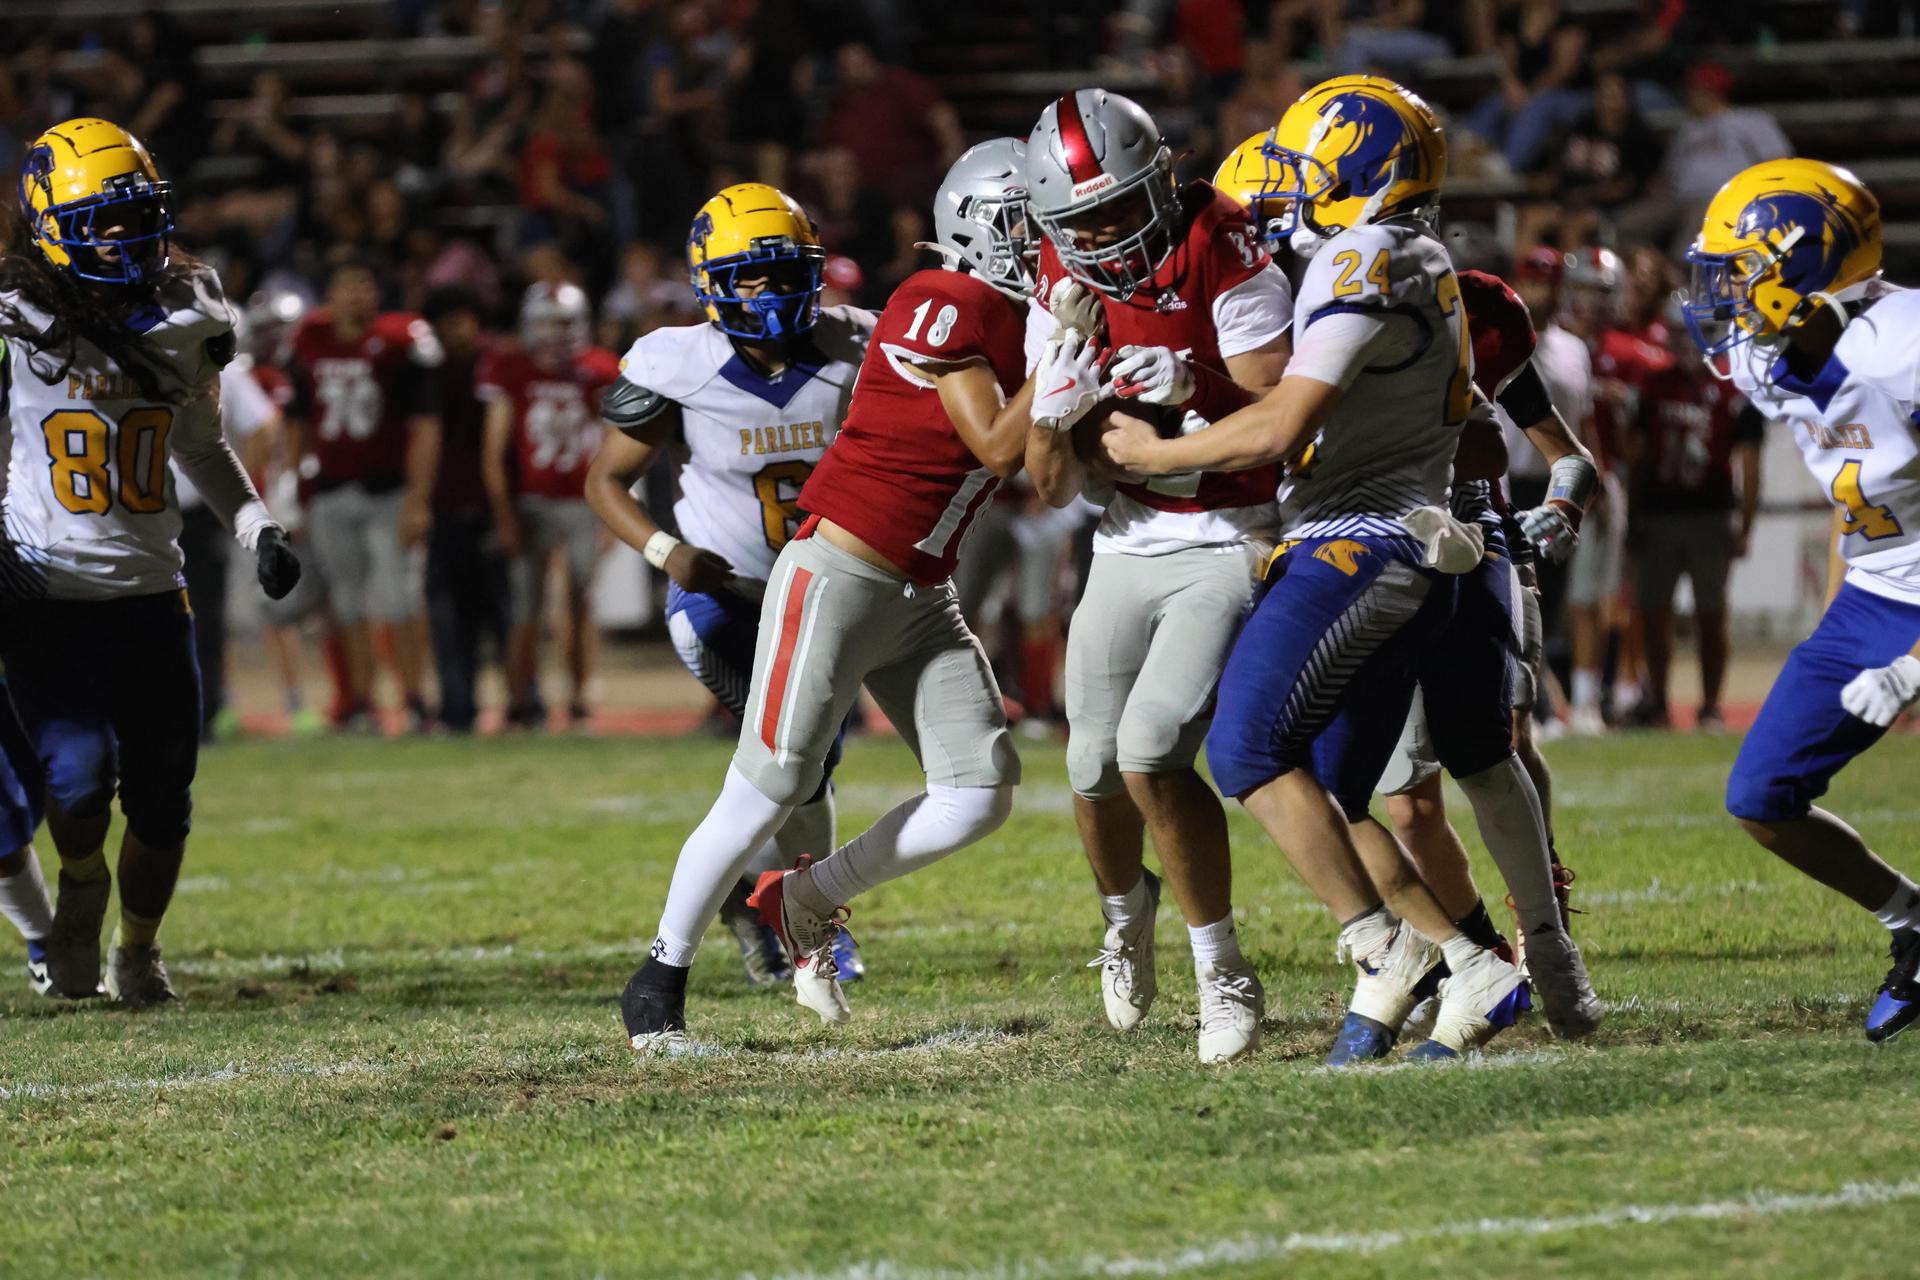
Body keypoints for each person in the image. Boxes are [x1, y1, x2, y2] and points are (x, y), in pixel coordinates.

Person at [1102, 76, 1526, 1061]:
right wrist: (1201, 382)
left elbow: (1287, 421)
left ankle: (1382, 948)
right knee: (1330, 795)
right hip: (1391, 535)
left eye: (1304, 168)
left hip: (1360, 541)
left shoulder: (1367, 253)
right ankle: (1472, 965)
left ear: (1357, 169)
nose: (1288, 191)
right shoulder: (1407, 254)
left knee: (1246, 751)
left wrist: (1150, 453)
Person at [616, 144, 1034, 1050]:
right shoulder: (933, 303)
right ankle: (656, 986)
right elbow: (1003, 442)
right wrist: (662, 547)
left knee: (982, 788)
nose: (771, 296)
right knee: (769, 785)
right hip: (826, 575)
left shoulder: (869, 329)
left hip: (920, 587)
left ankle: (805, 896)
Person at [0, 118, 302, 1004]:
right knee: (78, 777)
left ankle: (139, 949)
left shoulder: (186, 318)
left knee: (165, 796)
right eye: (101, 219)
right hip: (45, 593)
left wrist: (258, 529)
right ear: (49, 222)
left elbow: (203, 449)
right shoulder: (15, 321)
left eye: (136, 215)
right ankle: (81, 885)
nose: (125, 237)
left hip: (150, 594)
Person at [1022, 95, 1293, 1065]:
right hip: (1127, 535)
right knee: (1088, 764)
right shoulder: (1056, 270)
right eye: (1076, 219)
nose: (1096, 235)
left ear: (1161, 181)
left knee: (1150, 748)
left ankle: (1221, 964)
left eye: (1114, 207)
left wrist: (1196, 387)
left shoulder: (1220, 240)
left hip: (1229, 529)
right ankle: (1123, 914)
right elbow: (1049, 486)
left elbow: (1282, 413)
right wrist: (1051, 405)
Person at [586, 183, 874, 991]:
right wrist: (666, 554)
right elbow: (604, 482)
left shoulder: (858, 346)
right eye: (748, 277)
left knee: (795, 765)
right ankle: (806, 924)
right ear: (711, 281)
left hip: (828, 591)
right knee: (797, 763)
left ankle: (757, 903)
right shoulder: (676, 362)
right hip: (724, 597)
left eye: (784, 273)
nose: (769, 293)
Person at [1683, 158, 1920, 1042]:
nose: (1719, 296)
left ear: (1805, 263)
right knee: (1762, 794)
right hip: (1876, 594)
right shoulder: (1769, 356)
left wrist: (1913, 666)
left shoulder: (1904, 348)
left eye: (1738, 272)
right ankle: (1914, 923)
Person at [1367, 268, 1604, 1052]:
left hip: (1477, 546)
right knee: (1405, 798)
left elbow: (1558, 455)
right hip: (1369, 553)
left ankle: (1546, 933)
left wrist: (1562, 504)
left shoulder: (1467, 307)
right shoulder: (1286, 311)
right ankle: (1479, 956)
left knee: (1500, 746)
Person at [285, 259, 442, 732]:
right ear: (328, 296)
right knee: (347, 604)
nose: (357, 295)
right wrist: (297, 487)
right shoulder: (310, 340)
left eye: (365, 283)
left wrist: (418, 498)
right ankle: (362, 704)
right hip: (332, 490)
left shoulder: (400, 342)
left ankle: (415, 700)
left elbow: (424, 425)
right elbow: (297, 421)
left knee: (398, 601)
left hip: (388, 490)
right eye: (347, 286)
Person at [481, 282, 618, 728]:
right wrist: (504, 511)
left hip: (583, 501)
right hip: (532, 501)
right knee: (525, 606)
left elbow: (617, 445)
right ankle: (519, 701)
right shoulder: (511, 368)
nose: (554, 333)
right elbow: (495, 448)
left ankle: (579, 697)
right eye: (545, 323)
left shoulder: (600, 368)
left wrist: (614, 512)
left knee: (581, 601)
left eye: (563, 323)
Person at [1624, 303, 1763, 730]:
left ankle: (1710, 705)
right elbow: (1637, 454)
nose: (1688, 343)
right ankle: (1659, 702)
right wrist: (1634, 516)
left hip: (1711, 513)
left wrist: (1746, 523)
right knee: (1653, 612)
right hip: (1661, 512)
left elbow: (1750, 463)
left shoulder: (1734, 388)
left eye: (1698, 333)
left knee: (1711, 613)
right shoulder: (1651, 384)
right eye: (1681, 334)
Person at [175, 344, 281, 740]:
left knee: (201, 614)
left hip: (196, 512)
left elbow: (263, 425)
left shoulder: (212, 360)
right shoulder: (119, 353)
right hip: (136, 510)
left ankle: (202, 713)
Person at [423, 286, 513, 734]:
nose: (456, 329)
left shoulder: (496, 367)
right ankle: (458, 708)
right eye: (448, 321)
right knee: (449, 618)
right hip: (444, 506)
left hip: (490, 506)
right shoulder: (429, 371)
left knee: (502, 614)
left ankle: (521, 704)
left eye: (463, 319)